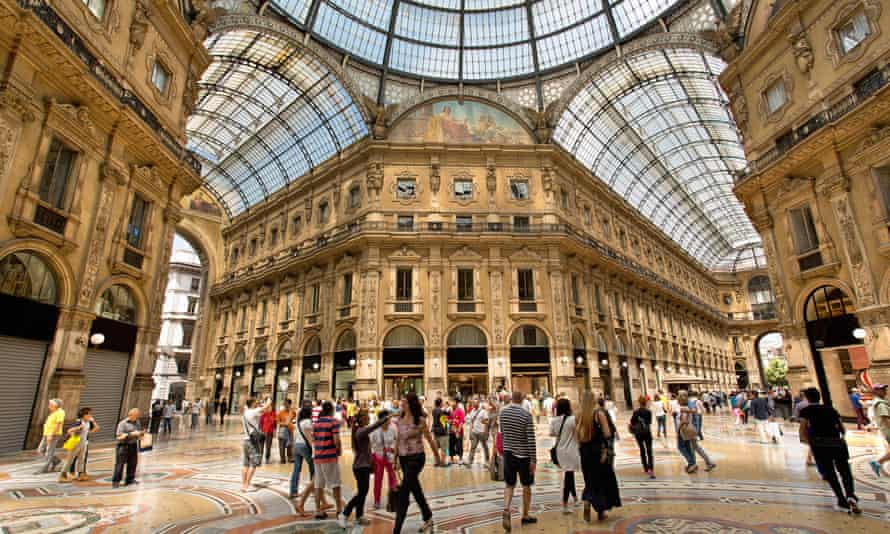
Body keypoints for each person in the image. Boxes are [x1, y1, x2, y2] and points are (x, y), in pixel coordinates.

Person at [798, 387, 861, 513]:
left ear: (807, 398)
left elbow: (803, 428)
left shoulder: (806, 411)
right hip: (837, 443)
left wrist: (807, 440)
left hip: (820, 445)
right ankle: (850, 495)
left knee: (830, 473)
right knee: (845, 472)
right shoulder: (830, 409)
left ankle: (841, 499)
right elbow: (842, 428)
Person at [393, 392, 440, 534]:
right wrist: (395, 459)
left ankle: (396, 530)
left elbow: (429, 439)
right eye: (402, 402)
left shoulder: (419, 420)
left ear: (411, 404)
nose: (402, 404)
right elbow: (398, 440)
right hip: (404, 458)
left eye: (405, 402)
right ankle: (428, 516)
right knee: (415, 489)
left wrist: (437, 456)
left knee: (404, 491)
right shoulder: (399, 420)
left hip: (417, 458)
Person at [338, 408, 391, 528]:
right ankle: (345, 513)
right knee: (362, 492)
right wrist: (385, 418)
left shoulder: (360, 430)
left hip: (364, 466)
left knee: (363, 491)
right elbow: (373, 427)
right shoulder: (360, 431)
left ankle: (359, 516)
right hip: (360, 467)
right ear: (362, 419)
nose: (368, 418)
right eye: (366, 416)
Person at [577, 393, 620, 522]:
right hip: (598, 451)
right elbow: (607, 434)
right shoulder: (598, 413)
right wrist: (605, 451)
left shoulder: (578, 415)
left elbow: (577, 436)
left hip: (585, 452)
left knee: (589, 479)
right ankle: (601, 511)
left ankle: (587, 501)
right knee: (602, 480)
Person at [499, 391, 537, 532]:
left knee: (509, 484)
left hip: (508, 453)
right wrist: (533, 459)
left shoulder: (503, 413)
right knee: (526, 485)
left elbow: (502, 433)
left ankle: (506, 509)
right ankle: (525, 515)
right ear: (521, 400)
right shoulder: (526, 415)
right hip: (524, 455)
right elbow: (530, 439)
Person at [312, 401, 343, 520]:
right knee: (335, 483)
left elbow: (314, 439)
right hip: (329, 456)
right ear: (332, 410)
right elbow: (336, 440)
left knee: (318, 484)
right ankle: (339, 509)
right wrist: (339, 450)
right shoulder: (333, 421)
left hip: (318, 456)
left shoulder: (317, 423)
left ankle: (318, 510)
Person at [550, 397, 579, 514]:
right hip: (571, 450)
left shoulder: (554, 421)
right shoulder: (573, 419)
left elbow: (552, 433)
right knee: (569, 476)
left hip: (560, 451)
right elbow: (577, 434)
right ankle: (565, 504)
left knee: (569, 474)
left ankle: (576, 499)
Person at [676, 390, 715, 473]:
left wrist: (678, 428)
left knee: (692, 447)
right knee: (694, 447)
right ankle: (703, 463)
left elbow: (685, 419)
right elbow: (694, 412)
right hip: (692, 428)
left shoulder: (686, 406)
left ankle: (696, 464)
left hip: (689, 429)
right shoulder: (689, 404)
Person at [59, 407, 99, 482]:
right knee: (70, 459)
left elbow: (96, 429)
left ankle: (81, 474)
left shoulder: (88, 422)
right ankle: (62, 475)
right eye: (89, 414)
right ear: (84, 415)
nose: (90, 416)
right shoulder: (79, 422)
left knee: (82, 459)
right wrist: (78, 428)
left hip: (84, 443)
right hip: (76, 444)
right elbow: (69, 431)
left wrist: (93, 421)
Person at [241, 397, 271, 492]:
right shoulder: (253, 412)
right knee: (253, 464)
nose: (257, 403)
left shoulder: (245, 413)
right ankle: (247, 485)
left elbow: (263, 409)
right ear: (252, 404)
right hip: (253, 441)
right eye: (255, 402)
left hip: (245, 440)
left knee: (245, 464)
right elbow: (266, 407)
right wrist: (269, 399)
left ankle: (243, 485)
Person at [371, 408, 397, 509]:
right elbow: (371, 444)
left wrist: (395, 453)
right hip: (379, 457)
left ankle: (392, 500)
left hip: (390, 457)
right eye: (387, 419)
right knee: (378, 480)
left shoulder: (393, 428)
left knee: (393, 479)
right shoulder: (374, 429)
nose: (389, 421)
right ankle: (377, 501)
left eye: (389, 419)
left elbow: (397, 441)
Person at [112, 408, 144, 488]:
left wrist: (140, 434)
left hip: (133, 445)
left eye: (138, 416)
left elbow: (138, 432)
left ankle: (130, 479)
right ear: (131, 415)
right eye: (136, 416)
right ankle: (116, 481)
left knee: (133, 463)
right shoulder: (122, 424)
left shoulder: (137, 422)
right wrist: (131, 434)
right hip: (123, 446)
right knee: (120, 464)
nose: (137, 417)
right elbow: (118, 437)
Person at [36, 398, 65, 474]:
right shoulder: (53, 412)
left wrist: (51, 435)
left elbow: (58, 424)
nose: (48, 406)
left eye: (50, 404)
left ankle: (45, 468)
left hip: (53, 434)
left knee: (49, 451)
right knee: (41, 450)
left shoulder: (60, 412)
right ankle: (56, 461)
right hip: (46, 434)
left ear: (55, 405)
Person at [630, 395, 655, 479]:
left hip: (639, 433)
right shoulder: (649, 412)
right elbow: (650, 422)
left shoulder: (636, 412)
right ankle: (651, 468)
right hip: (647, 432)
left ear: (639, 402)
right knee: (649, 451)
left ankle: (645, 468)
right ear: (646, 402)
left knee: (642, 449)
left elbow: (632, 422)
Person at [869, 384, 890, 477]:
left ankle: (877, 463)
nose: (885, 391)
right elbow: (886, 420)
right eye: (882, 389)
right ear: (876, 391)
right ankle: (877, 462)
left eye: (884, 389)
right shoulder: (881, 404)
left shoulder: (879, 402)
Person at [464, 399, 490, 467]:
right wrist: (470, 431)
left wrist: (484, 423)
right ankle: (470, 461)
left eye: (475, 403)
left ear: (478, 404)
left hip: (481, 432)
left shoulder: (483, 411)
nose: (474, 404)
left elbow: (487, 422)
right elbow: (471, 422)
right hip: (474, 432)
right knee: (473, 447)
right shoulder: (472, 411)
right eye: (473, 403)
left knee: (485, 447)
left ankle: (487, 461)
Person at [431, 397, 450, 466]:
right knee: (443, 449)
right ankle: (443, 462)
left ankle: (436, 462)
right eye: (442, 402)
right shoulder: (441, 411)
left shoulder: (433, 410)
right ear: (440, 403)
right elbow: (443, 420)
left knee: (436, 448)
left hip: (435, 431)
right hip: (442, 432)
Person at [449, 399, 465, 464]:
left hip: (458, 431)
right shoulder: (450, 411)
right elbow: (448, 419)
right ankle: (452, 459)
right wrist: (449, 422)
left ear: (456, 403)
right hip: (452, 430)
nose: (451, 403)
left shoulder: (460, 411)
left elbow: (461, 422)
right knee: (451, 444)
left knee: (459, 445)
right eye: (451, 401)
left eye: (452, 402)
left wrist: (458, 431)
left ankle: (460, 458)